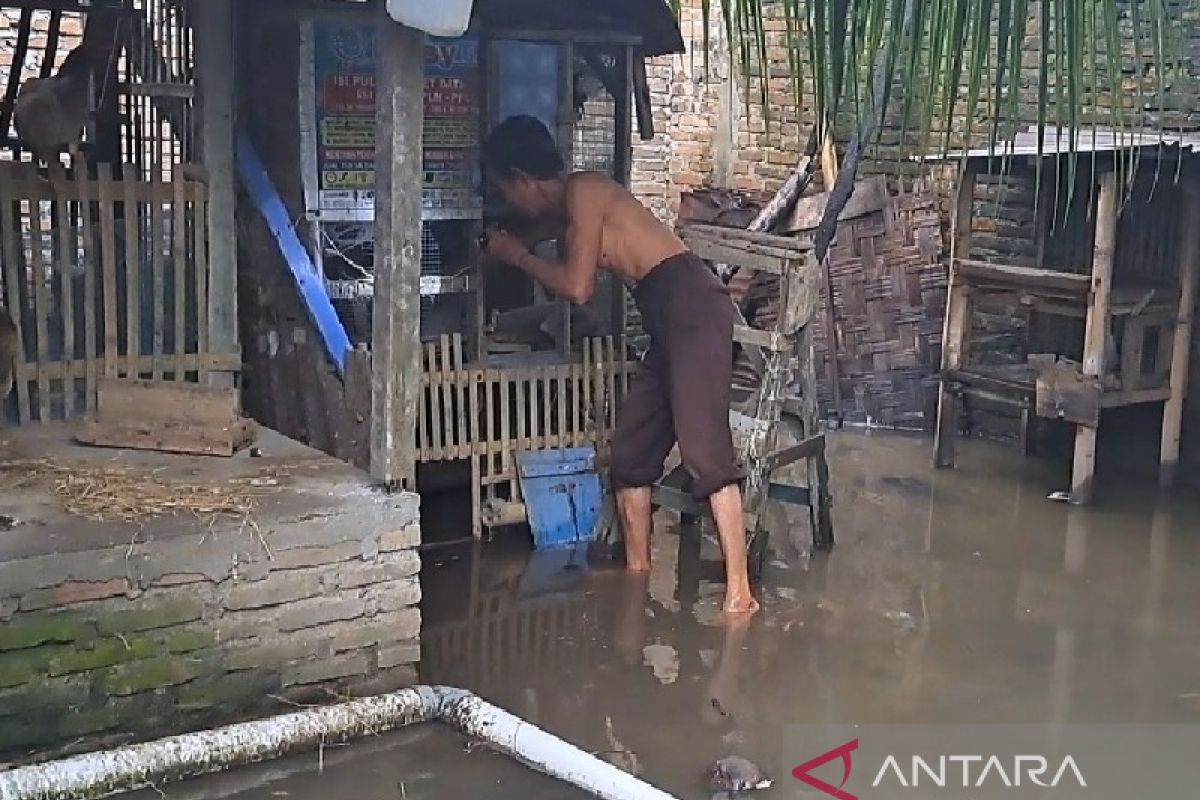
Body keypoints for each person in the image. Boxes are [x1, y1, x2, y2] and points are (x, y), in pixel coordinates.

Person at [480, 115, 758, 615]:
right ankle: (637, 573)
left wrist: (518, 257)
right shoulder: (566, 212)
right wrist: (505, 247)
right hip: (664, 317)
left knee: (704, 450)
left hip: (693, 306)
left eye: (507, 191)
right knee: (631, 455)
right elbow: (538, 231)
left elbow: (577, 288)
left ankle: (740, 594)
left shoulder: (586, 190)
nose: (511, 204)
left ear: (523, 179)